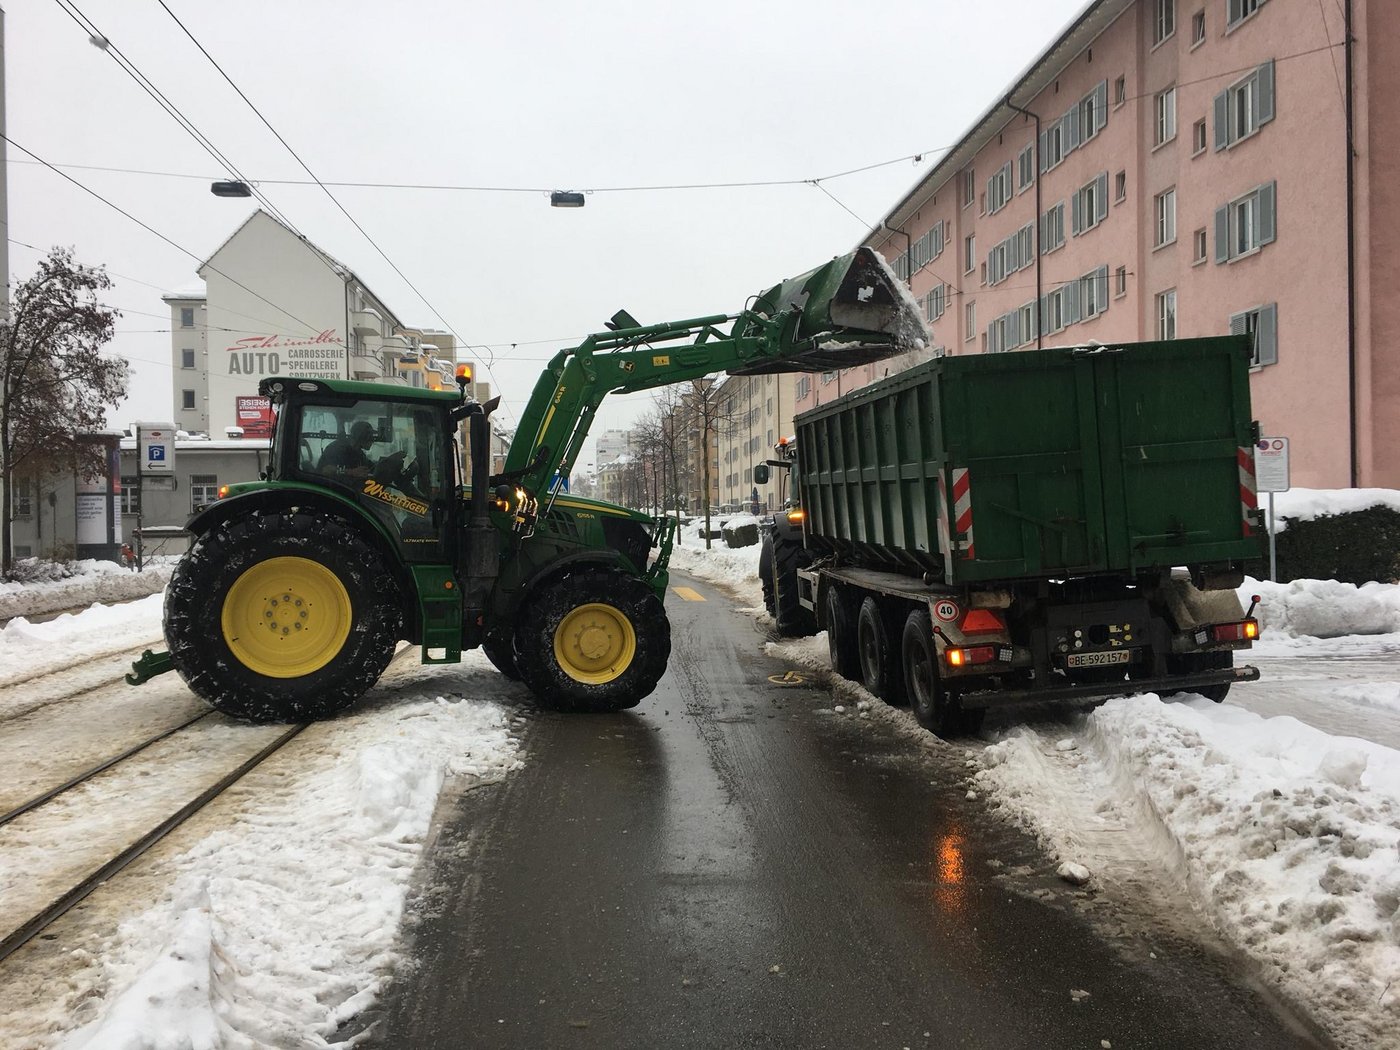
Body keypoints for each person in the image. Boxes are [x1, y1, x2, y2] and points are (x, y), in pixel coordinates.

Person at [318, 420, 405, 481]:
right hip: (335, 494)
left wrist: (390, 461)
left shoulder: (359, 453)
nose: (373, 440)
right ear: (362, 437)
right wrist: (351, 472)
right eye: (370, 437)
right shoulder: (338, 448)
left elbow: (373, 468)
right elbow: (325, 470)